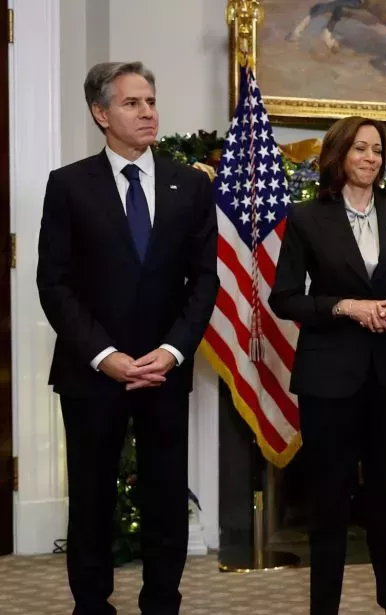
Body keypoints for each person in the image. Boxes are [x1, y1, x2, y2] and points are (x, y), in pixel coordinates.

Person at [36, 61, 219, 615]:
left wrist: (171, 351)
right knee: (92, 500)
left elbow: (204, 279)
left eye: (151, 101)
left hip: (165, 369)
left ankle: (162, 603)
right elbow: (54, 282)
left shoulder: (189, 184)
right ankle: (92, 606)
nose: (148, 112)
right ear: (100, 113)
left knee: (165, 500)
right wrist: (105, 356)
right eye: (133, 103)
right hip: (92, 372)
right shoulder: (68, 185)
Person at [269, 115, 386, 615]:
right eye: (360, 148)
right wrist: (344, 306)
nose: (370, 158)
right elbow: (284, 299)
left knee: (384, 494)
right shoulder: (305, 218)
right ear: (338, 154)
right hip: (329, 377)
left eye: (378, 150)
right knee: (331, 496)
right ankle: (325, 606)